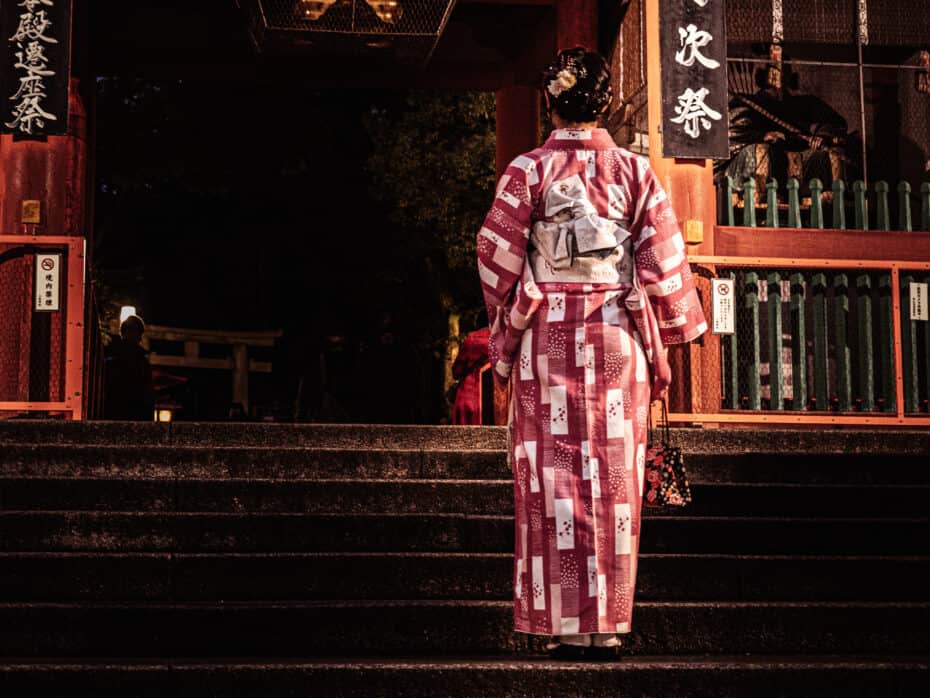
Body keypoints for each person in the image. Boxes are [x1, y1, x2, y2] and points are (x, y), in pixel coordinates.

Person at [477, 47, 707, 660]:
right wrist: (677, 323)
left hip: (547, 330)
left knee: (548, 478)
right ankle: (604, 624)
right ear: (603, 102)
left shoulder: (529, 170)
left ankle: (555, 622)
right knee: (613, 478)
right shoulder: (635, 171)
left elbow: (496, 256)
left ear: (552, 101)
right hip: (615, 334)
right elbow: (659, 253)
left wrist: (523, 301)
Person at [104, 314, 154, 420]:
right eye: (139, 333)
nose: (140, 338)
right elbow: (147, 393)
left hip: (112, 412)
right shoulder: (141, 361)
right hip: (135, 413)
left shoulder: (109, 355)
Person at [451, 327, 491, 425]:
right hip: (501, 396)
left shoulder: (473, 338)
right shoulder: (505, 336)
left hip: (471, 393)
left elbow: (457, 371)